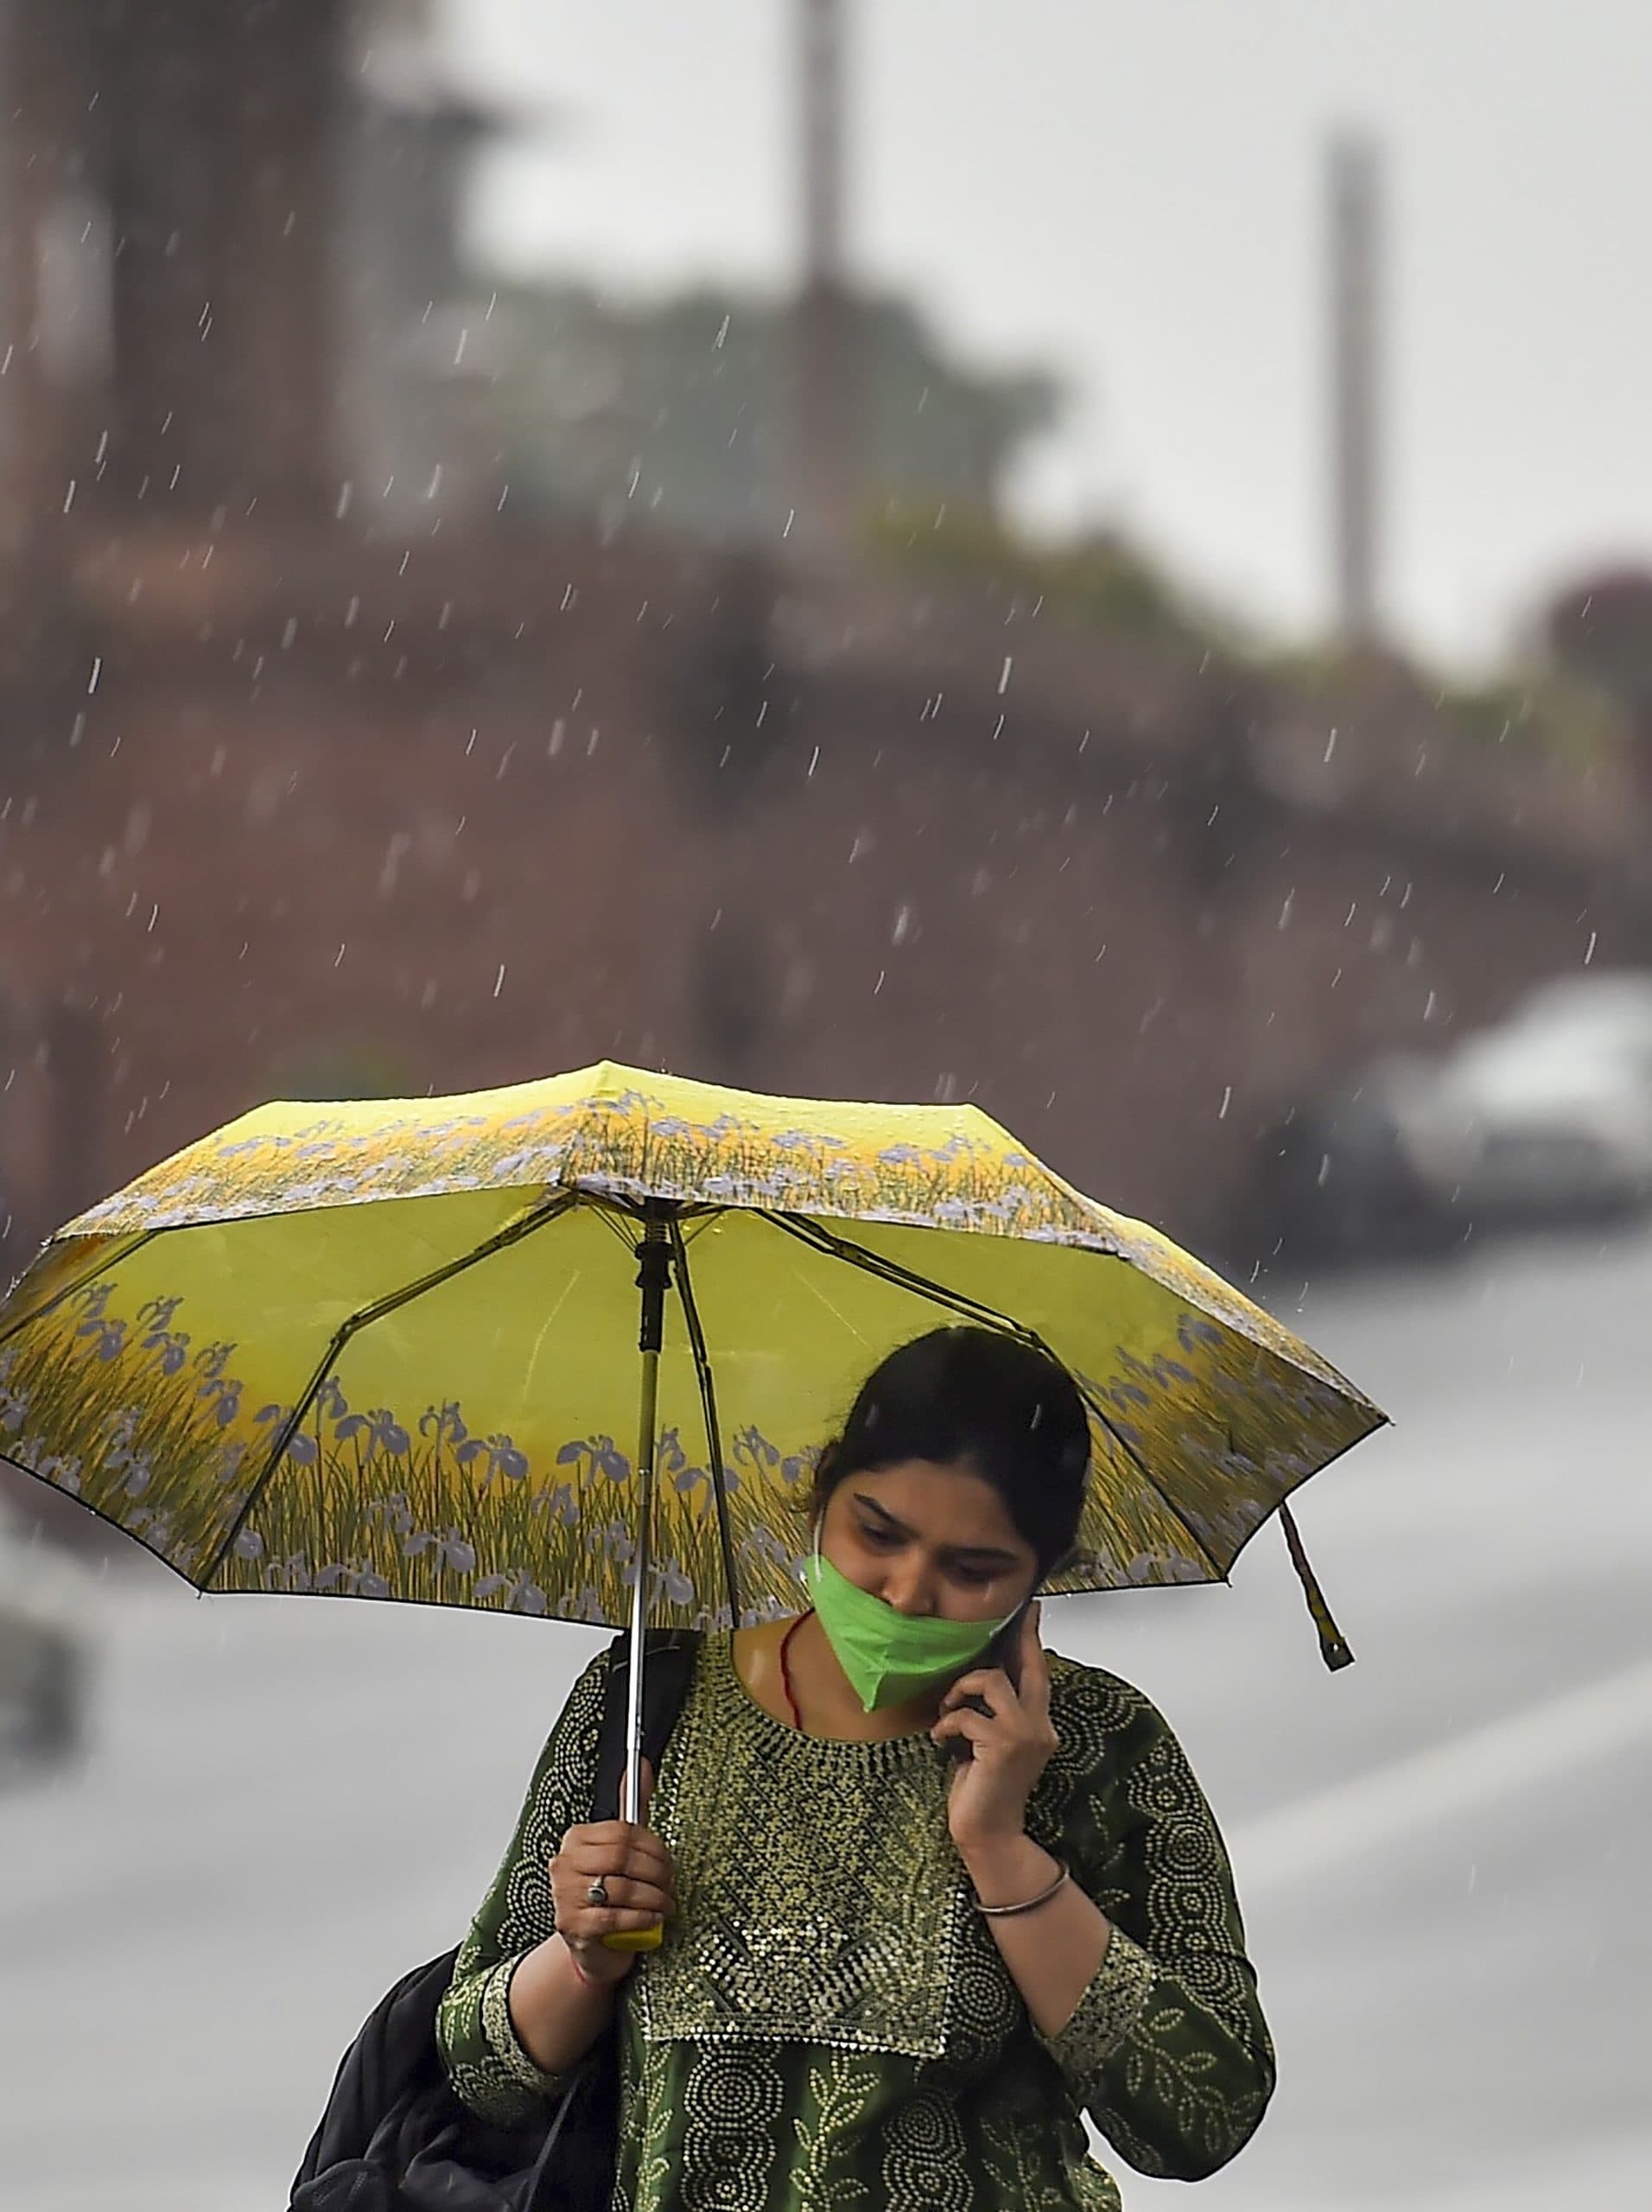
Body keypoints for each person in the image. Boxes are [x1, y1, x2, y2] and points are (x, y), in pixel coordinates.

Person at [436, 1327, 1274, 2211]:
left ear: (1044, 1575)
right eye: (877, 1532)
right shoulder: (651, 1696)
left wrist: (1000, 1850)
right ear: (820, 1489)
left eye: (973, 1568)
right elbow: (478, 2068)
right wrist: (582, 1957)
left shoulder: (1100, 1741)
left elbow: (1203, 2118)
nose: (908, 1591)